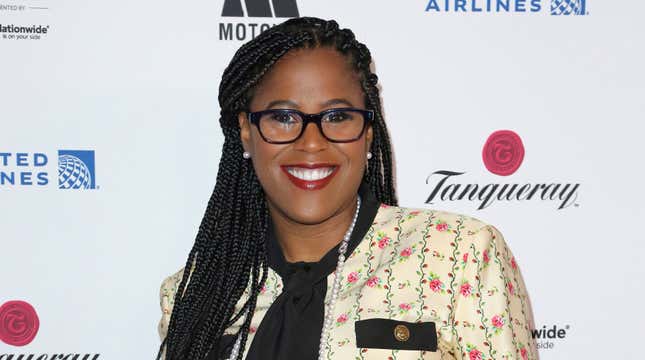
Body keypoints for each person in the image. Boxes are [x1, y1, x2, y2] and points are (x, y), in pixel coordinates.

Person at [156, 17, 537, 360]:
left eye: (337, 117)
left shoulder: (460, 255)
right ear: (245, 130)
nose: (311, 142)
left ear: (368, 132)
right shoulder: (194, 295)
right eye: (283, 117)